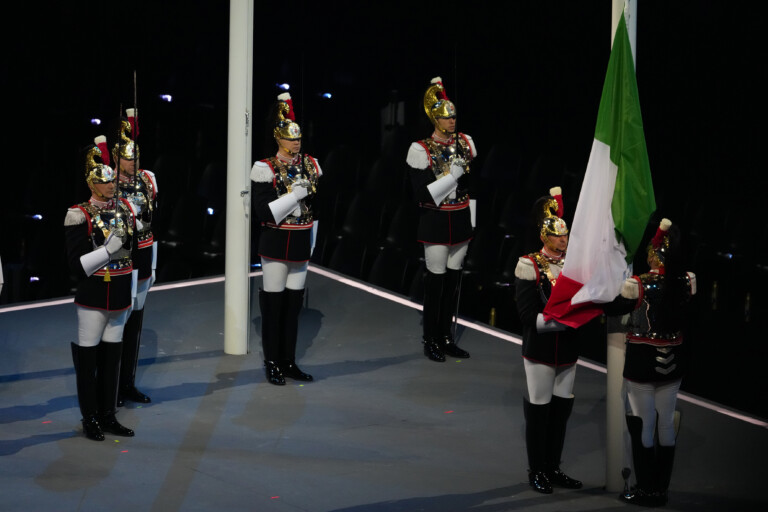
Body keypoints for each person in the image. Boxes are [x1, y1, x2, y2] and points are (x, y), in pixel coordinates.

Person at [602, 218, 696, 507]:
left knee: (644, 423)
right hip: (674, 361)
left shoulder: (638, 284)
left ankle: (645, 489)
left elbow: (612, 306)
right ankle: (660, 490)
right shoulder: (687, 280)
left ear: (655, 254)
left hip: (643, 361)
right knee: (665, 423)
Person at [64, 136, 137, 441]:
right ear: (91, 183)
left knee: (112, 357)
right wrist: (107, 251)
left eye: (111, 181)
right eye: (104, 182)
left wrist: (132, 291)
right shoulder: (78, 214)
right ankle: (90, 417)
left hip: (120, 292)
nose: (110, 185)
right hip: (94, 295)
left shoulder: (125, 208)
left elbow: (133, 255)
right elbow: (77, 265)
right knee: (89, 358)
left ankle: (108, 414)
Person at [514, 187, 582, 494]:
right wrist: (562, 321)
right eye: (558, 235)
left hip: (567, 347)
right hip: (540, 348)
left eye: (566, 235)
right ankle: (537, 470)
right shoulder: (529, 264)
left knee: (561, 410)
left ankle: (553, 467)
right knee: (540, 410)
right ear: (545, 236)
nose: (564, 240)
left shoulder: (574, 264)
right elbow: (527, 314)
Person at [250, 92, 320, 385]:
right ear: (278, 138)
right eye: (291, 139)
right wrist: (294, 196)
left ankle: (289, 361)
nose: (296, 142)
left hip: (301, 241)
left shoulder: (311, 164)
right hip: (276, 243)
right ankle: (272, 362)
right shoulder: (265, 168)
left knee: (293, 308)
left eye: (298, 138)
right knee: (274, 306)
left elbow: (316, 209)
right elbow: (264, 213)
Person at [406, 76, 476, 362]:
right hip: (435, 221)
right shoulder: (420, 149)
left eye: (454, 117)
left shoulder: (465, 143)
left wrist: (471, 218)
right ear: (435, 119)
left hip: (460, 220)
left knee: (453, 283)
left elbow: (473, 186)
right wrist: (451, 178)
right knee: (435, 283)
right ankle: (431, 338)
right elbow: (422, 195)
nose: (452, 121)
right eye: (447, 118)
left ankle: (446, 336)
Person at [114, 108, 158, 406]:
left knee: (136, 322)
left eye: (136, 157)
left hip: (143, 255)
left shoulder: (148, 179)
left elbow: (154, 221)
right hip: (120, 258)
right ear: (117, 158)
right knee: (117, 322)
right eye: (128, 158)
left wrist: (152, 263)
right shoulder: (108, 184)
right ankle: (111, 384)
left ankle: (127, 382)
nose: (134, 162)